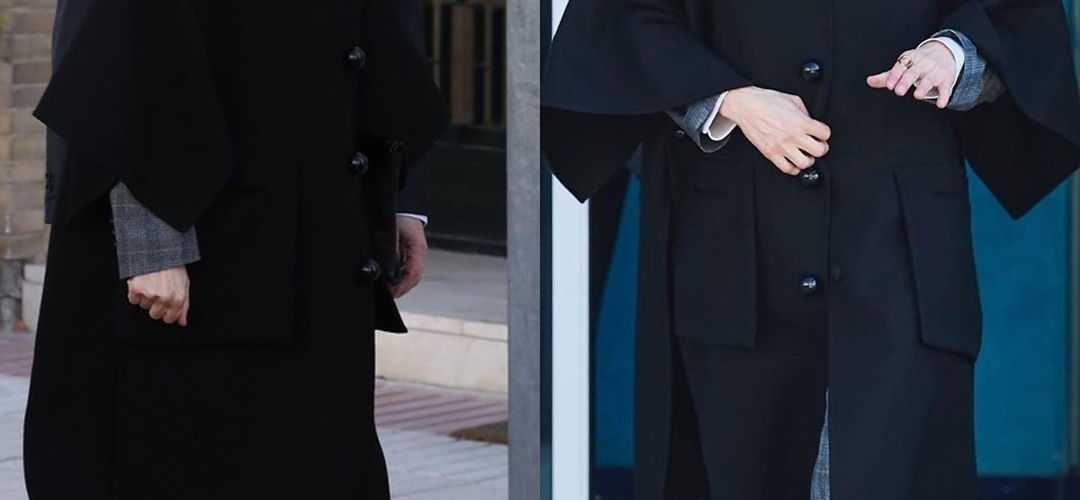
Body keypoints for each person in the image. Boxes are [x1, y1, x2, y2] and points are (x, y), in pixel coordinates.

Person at [542, 1, 1080, 499]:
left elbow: (1017, 18)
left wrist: (954, 54)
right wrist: (733, 101)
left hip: (899, 251)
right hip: (736, 254)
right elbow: (623, 21)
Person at [25, 1, 447, 498]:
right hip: (199, 246)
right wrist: (154, 241)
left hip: (322, 239)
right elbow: (114, 39)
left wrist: (399, 197)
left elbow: (386, 23)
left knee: (318, 458)